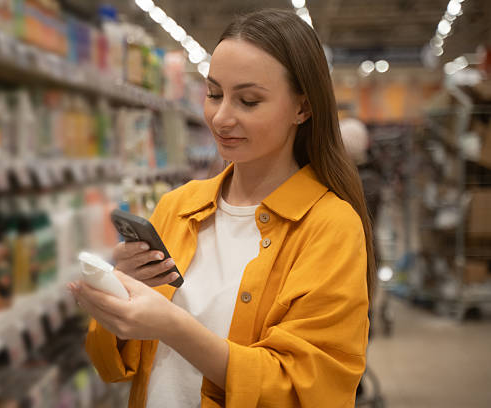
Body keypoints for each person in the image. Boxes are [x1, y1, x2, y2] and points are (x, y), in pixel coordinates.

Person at [70, 8, 375, 408]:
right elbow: (114, 366)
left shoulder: (329, 226)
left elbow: (308, 390)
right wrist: (118, 301)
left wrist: (174, 327)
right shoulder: (177, 206)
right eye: (214, 94)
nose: (221, 117)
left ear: (302, 108)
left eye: (248, 101)